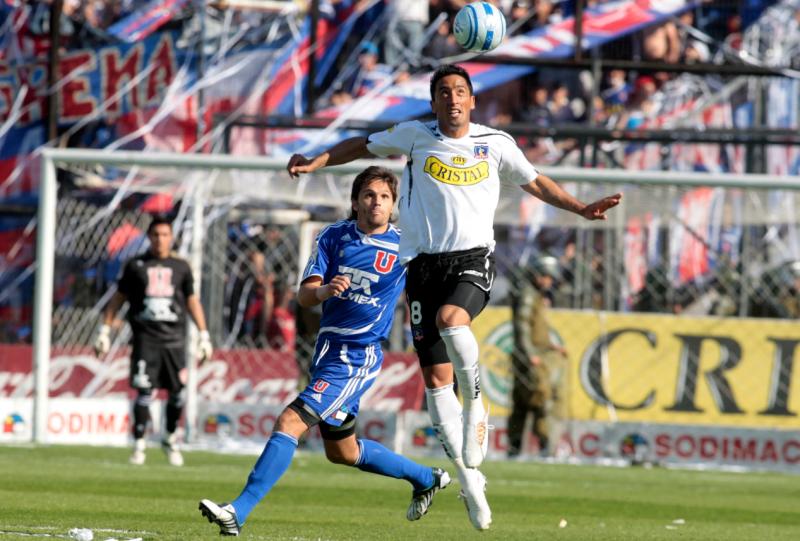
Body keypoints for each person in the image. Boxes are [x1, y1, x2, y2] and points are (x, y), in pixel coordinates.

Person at [287, 64, 622, 530]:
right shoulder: (415, 135)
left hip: (472, 259)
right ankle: (469, 481)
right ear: (434, 102)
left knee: (451, 319)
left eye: (460, 91)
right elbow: (361, 145)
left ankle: (477, 404)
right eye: (443, 92)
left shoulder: (495, 143)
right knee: (436, 385)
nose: (452, 98)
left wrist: (581, 208)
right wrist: (316, 161)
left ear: (472, 100)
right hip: (423, 267)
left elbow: (536, 181)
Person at [199, 166, 450, 536]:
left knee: (290, 422)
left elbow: (432, 285)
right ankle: (426, 478)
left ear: (393, 204)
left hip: (358, 356)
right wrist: (324, 291)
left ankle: (239, 510)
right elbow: (304, 296)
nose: (376, 202)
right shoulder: (333, 236)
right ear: (355, 201)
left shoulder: (406, 246)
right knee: (342, 452)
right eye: (369, 195)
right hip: (328, 351)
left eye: (384, 197)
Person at [93, 214, 213, 467]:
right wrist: (104, 331)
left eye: (165, 235)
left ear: (171, 237)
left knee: (177, 394)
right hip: (145, 340)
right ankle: (139, 444)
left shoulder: (181, 267)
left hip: (174, 341)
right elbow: (118, 299)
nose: (160, 239)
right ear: (149, 237)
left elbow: (192, 301)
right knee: (144, 391)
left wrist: (204, 334)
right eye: (156, 235)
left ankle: (170, 439)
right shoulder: (135, 265)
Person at [508, 255, 567, 458]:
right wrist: (530, 354)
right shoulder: (528, 296)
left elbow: (537, 331)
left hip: (533, 354)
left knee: (524, 401)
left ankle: (517, 446)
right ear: (539, 275)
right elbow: (522, 328)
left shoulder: (536, 296)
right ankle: (544, 445)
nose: (550, 282)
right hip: (530, 358)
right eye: (548, 277)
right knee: (540, 399)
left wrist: (552, 346)